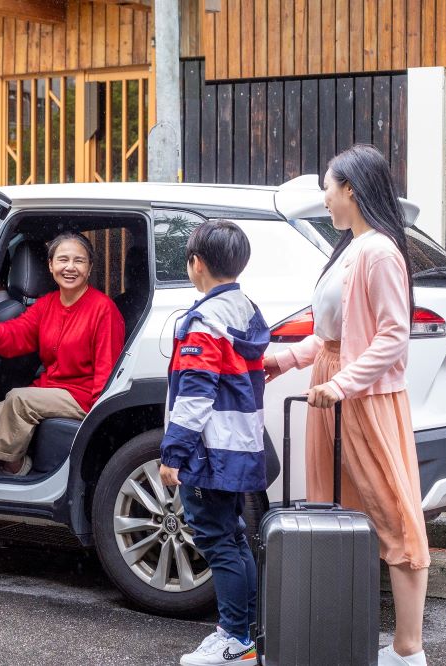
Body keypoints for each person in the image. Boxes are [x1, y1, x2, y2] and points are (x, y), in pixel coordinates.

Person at [264, 144, 430, 666]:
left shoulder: (379, 251)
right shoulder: (352, 249)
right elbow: (329, 335)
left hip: (362, 397)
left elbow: (393, 337)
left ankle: (408, 650)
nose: (324, 199)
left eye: (327, 189)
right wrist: (286, 359)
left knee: (395, 518)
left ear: (350, 190)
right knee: (335, 508)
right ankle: (343, 635)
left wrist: (342, 384)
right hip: (333, 390)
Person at [159, 220, 269, 666]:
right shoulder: (246, 311)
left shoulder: (204, 320)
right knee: (234, 539)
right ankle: (249, 634)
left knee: (218, 541)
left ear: (196, 263)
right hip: (240, 443)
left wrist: (174, 452)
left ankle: (234, 638)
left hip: (208, 450)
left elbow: (195, 394)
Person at [0, 232, 125, 476]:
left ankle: (4, 470)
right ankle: (17, 471)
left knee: (19, 398)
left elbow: (107, 369)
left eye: (79, 261)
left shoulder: (103, 309)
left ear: (89, 268)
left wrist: (99, 417)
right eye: (62, 259)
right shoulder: (47, 304)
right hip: (52, 388)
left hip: (84, 396)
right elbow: (17, 334)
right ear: (50, 265)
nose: (70, 267)